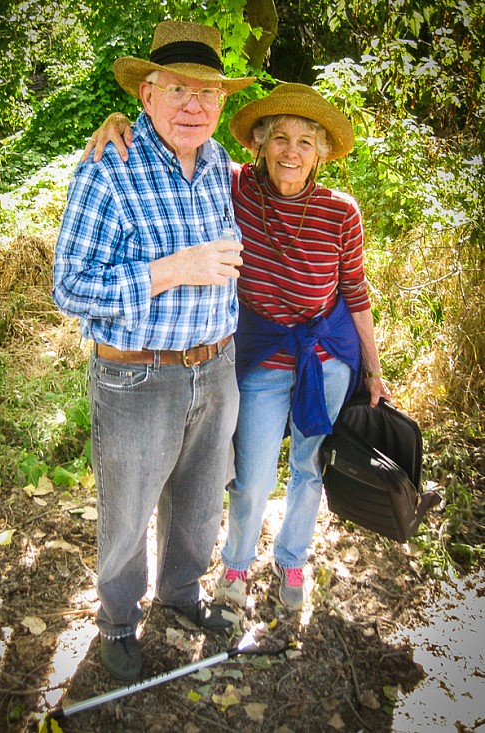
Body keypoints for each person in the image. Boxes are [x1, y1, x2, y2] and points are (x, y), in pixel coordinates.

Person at [83, 83, 390, 614]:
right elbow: (181, 156)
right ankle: (237, 563)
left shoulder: (342, 212)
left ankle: (293, 559)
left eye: (305, 143)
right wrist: (119, 122)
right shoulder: (233, 185)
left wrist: (373, 369)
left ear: (320, 153)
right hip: (264, 356)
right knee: (250, 476)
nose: (292, 152)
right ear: (261, 146)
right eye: (281, 139)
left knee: (311, 466)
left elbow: (356, 293)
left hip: (327, 357)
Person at [53, 20, 255, 684]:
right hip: (136, 376)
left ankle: (180, 591)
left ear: (223, 103)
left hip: (216, 366)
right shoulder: (106, 170)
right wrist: (176, 268)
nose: (194, 105)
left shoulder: (224, 164)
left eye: (208, 92)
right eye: (178, 90)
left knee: (199, 502)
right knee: (127, 507)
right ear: (146, 94)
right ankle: (117, 620)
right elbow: (70, 288)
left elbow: (290, 174)